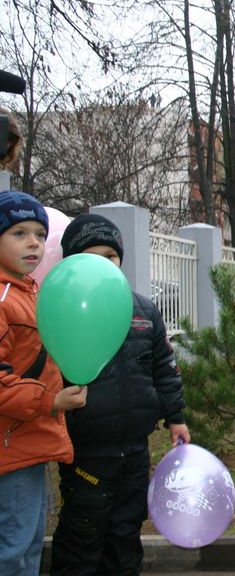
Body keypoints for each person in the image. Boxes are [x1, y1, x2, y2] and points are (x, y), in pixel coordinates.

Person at [50, 213, 190, 575]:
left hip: (135, 449)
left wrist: (175, 417)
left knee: (126, 530)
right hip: (88, 453)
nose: (104, 264)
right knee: (83, 534)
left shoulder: (142, 310)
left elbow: (164, 367)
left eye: (110, 257)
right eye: (92, 256)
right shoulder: (65, 310)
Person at [0, 191, 87, 575]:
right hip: (11, 444)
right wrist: (50, 401)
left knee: (31, 541)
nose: (33, 242)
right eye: (19, 233)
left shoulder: (30, 291)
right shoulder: (3, 297)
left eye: (39, 233)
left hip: (27, 440)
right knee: (14, 549)